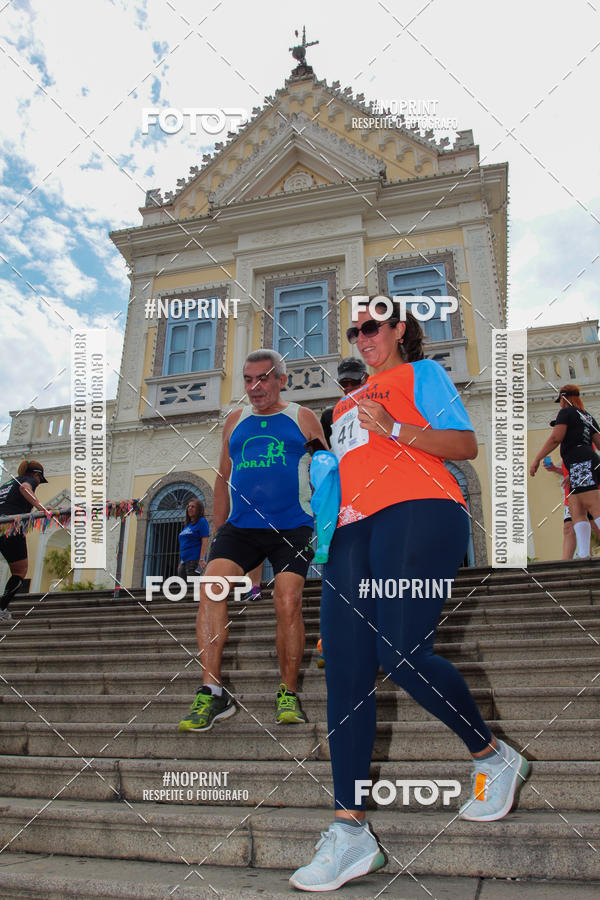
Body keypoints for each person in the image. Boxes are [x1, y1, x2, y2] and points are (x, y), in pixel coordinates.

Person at [290, 300, 530, 893]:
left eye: (372, 327)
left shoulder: (423, 375)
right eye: (353, 331)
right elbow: (342, 474)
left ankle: (491, 754)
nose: (361, 337)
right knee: (345, 672)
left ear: (399, 330)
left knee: (400, 653)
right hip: (349, 531)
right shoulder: (342, 404)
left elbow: (465, 446)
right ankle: (350, 834)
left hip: (421, 509)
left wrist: (393, 428)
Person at [178, 349, 326, 732]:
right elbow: (223, 478)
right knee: (211, 586)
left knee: (288, 598)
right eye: (248, 379)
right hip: (241, 528)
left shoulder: (302, 418)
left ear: (281, 379)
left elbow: (326, 473)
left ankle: (288, 693)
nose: (255, 387)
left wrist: (326, 526)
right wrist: (217, 530)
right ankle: (213, 693)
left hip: (292, 526)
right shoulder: (235, 420)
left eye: (263, 378)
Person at [531, 385, 600, 559]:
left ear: (563, 398)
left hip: (580, 461)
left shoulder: (566, 413)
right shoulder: (588, 416)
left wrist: (537, 458)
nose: (560, 405)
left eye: (560, 401)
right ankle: (583, 554)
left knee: (593, 505)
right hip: (584, 461)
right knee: (577, 507)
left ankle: (584, 554)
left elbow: (556, 438)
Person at [0, 460, 50, 622]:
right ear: (37, 475)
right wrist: (41, 508)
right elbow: (25, 489)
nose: (38, 483)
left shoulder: (7, 484)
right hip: (10, 526)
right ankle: (1, 609)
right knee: (20, 571)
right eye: (39, 481)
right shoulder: (28, 480)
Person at [543, 457, 600, 559]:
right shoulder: (565, 449)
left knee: (595, 525)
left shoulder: (584, 443)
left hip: (589, 490)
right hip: (571, 495)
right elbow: (567, 475)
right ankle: (565, 565)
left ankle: (582, 556)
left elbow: (593, 463)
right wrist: (555, 469)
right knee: (568, 528)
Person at [320, 357, 368, 448]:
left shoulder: (377, 405)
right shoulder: (329, 415)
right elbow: (323, 449)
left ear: (365, 379)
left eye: (354, 381)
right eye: (344, 383)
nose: (349, 387)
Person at [177, 497, 210, 579]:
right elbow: (184, 545)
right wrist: (181, 562)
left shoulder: (202, 521)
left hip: (194, 561)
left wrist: (202, 559)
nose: (190, 508)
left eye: (193, 506)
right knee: (183, 590)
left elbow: (205, 541)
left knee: (192, 589)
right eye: (189, 506)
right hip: (184, 562)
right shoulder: (187, 525)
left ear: (199, 509)